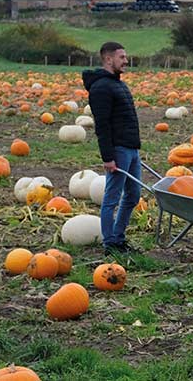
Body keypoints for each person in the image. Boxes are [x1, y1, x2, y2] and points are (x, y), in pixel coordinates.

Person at [83, 42, 141, 256]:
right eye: (122, 57)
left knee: (133, 195)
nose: (126, 61)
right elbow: (103, 125)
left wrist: (135, 148)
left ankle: (118, 237)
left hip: (131, 149)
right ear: (108, 59)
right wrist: (108, 157)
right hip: (118, 150)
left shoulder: (118, 84)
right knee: (112, 197)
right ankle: (110, 243)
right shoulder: (100, 88)